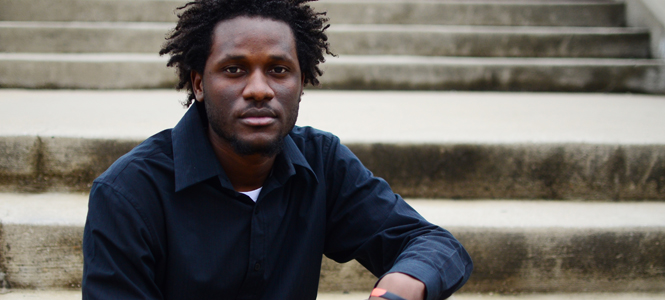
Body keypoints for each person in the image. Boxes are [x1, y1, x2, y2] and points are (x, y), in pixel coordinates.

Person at [81, 0, 473, 299]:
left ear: (302, 82)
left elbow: (432, 244)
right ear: (198, 84)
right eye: (234, 69)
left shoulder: (321, 162)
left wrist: (402, 286)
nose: (258, 89)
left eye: (278, 70)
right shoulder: (128, 194)